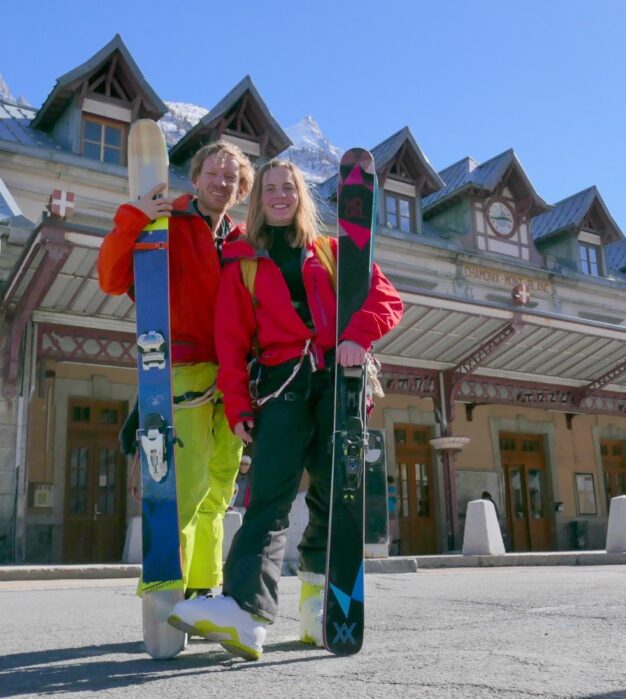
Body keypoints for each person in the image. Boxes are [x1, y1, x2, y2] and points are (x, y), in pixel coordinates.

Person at [168, 159, 404, 660]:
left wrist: (357, 338)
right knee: (268, 499)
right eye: (270, 189)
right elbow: (229, 343)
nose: (279, 195)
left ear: (301, 196)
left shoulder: (335, 251)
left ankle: (317, 607)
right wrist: (236, 406)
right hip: (280, 386)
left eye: (288, 188)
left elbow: (387, 300)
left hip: (337, 386)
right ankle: (247, 615)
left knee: (332, 496)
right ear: (258, 201)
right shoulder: (242, 262)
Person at [98, 141, 254, 609]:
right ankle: (166, 588)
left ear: (241, 188)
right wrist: (134, 216)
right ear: (196, 175)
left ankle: (202, 587)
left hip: (234, 373)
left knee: (220, 486)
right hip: (182, 366)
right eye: (214, 172)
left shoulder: (244, 239)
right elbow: (109, 277)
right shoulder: (167, 219)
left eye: (232, 177)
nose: (222, 182)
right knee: (182, 484)